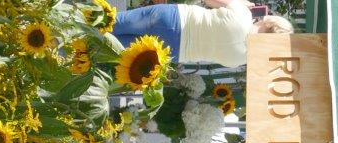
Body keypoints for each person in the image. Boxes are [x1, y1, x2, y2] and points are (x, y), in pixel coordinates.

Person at [112, 0, 294, 68]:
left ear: (270, 22)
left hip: (174, 18)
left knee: (112, 22)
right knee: (112, 47)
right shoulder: (241, 59)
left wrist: (242, 3)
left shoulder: (243, 14)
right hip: (171, 50)